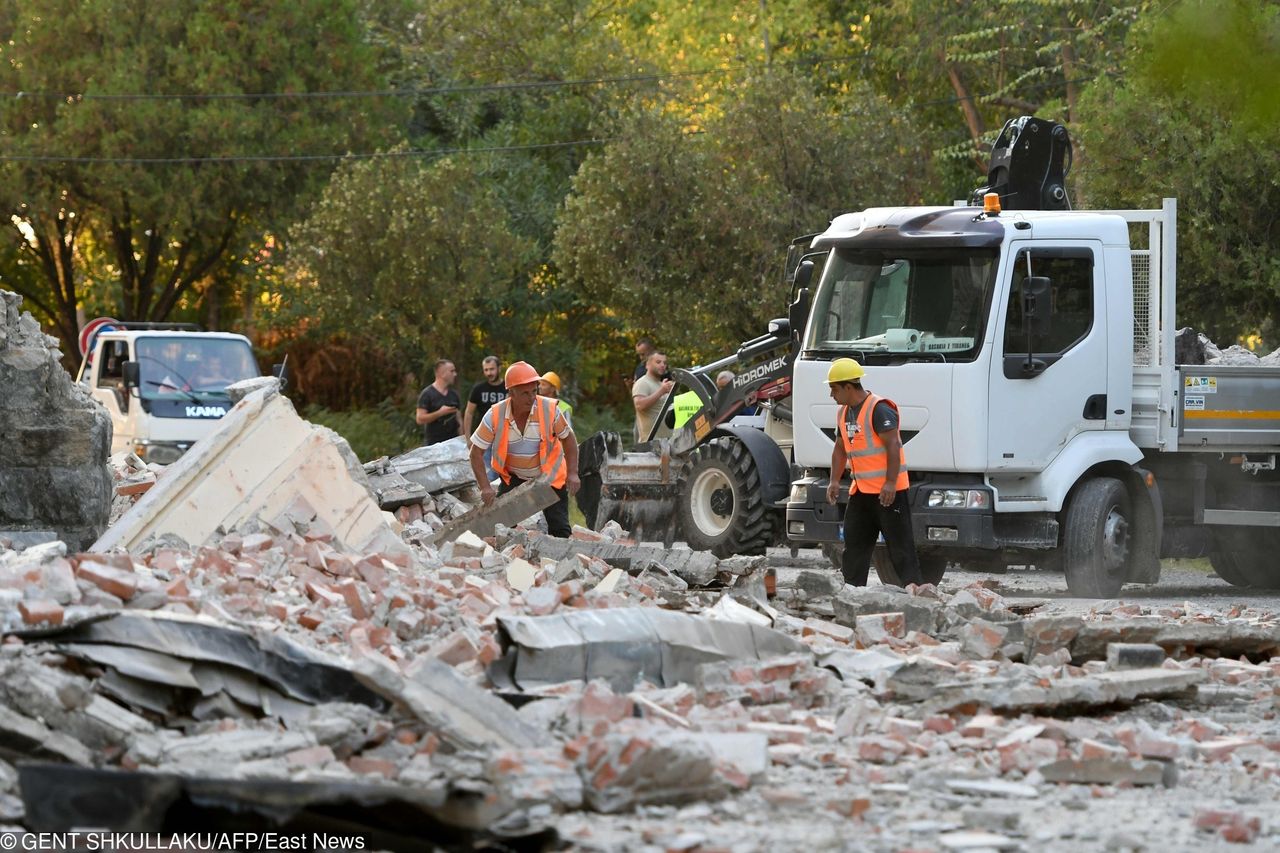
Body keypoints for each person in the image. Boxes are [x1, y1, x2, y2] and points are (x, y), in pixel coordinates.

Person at [824, 357, 923, 588]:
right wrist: (834, 481)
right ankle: (852, 593)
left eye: (834, 389)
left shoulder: (879, 408)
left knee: (901, 549)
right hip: (861, 492)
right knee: (855, 547)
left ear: (849, 387)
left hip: (889, 493)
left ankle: (917, 594)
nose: (831, 395)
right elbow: (840, 450)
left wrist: (890, 483)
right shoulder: (843, 413)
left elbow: (893, 446)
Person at [469, 361, 579, 538]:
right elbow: (475, 453)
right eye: (525, 393)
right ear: (511, 392)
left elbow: (569, 439)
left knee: (560, 528)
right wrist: (485, 487)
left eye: (534, 391)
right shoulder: (495, 415)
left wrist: (573, 472)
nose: (531, 397)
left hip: (549, 475)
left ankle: (563, 562)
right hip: (513, 476)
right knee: (500, 528)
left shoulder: (549, 409)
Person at [463, 356, 508, 479]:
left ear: (499, 368)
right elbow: (469, 413)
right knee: (489, 473)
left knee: (505, 471)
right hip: (485, 436)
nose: (489, 373)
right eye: (486, 370)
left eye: (492, 369)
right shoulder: (478, 389)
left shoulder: (508, 387)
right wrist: (468, 437)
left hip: (505, 436)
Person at [415, 359, 461, 446]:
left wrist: (463, 440)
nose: (455, 374)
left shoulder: (454, 394)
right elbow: (420, 419)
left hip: (453, 443)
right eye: (452, 371)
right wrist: (440, 413)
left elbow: (459, 419)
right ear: (442, 374)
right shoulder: (427, 394)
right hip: (434, 444)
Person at [632, 352, 674, 443]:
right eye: (658, 362)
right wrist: (661, 391)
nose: (663, 365)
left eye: (664, 363)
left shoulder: (661, 385)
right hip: (651, 444)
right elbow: (639, 405)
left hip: (667, 443)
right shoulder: (642, 382)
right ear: (647, 365)